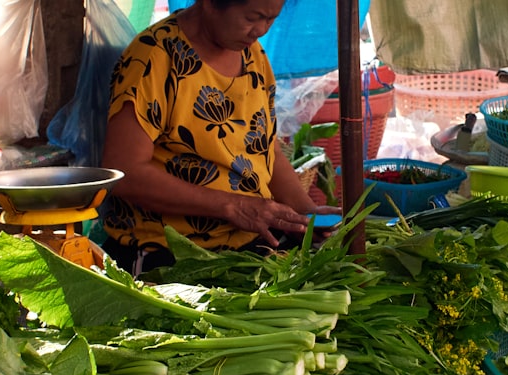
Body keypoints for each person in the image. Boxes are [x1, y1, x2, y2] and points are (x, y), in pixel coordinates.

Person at [99, 0, 337, 273]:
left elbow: (264, 148)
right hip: (172, 256)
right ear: (210, 4)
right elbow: (123, 173)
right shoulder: (154, 58)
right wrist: (233, 206)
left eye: (270, 19)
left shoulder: (253, 55)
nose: (260, 30)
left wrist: (303, 216)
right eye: (253, 17)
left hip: (246, 246)